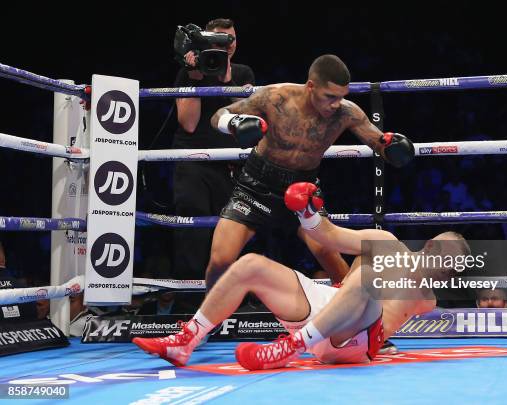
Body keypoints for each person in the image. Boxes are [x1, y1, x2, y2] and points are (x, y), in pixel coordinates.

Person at [133, 182, 468, 369]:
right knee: (250, 264)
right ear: (429, 246)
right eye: (443, 255)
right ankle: (187, 340)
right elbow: (331, 236)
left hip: (352, 340)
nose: (442, 265)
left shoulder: (427, 299)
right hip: (331, 308)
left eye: (449, 265)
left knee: (368, 274)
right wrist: (307, 213)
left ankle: (291, 346)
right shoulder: (386, 243)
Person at [205, 54, 415, 289]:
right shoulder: (276, 97)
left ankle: (351, 320)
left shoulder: (346, 113)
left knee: (332, 261)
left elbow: (378, 141)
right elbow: (218, 115)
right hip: (255, 185)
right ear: (311, 86)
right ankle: (209, 319)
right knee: (220, 260)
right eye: (330, 96)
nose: (336, 104)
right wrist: (233, 123)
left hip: (302, 191)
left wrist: (393, 147)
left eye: (341, 97)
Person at [172, 18, 255, 280]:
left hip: (231, 165)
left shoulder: (243, 74)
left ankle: (231, 295)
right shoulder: (188, 71)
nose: (225, 44)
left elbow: (248, 117)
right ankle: (190, 295)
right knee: (193, 226)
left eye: (230, 39)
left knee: (234, 231)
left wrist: (227, 79)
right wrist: (195, 77)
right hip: (193, 162)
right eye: (219, 38)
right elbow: (189, 123)